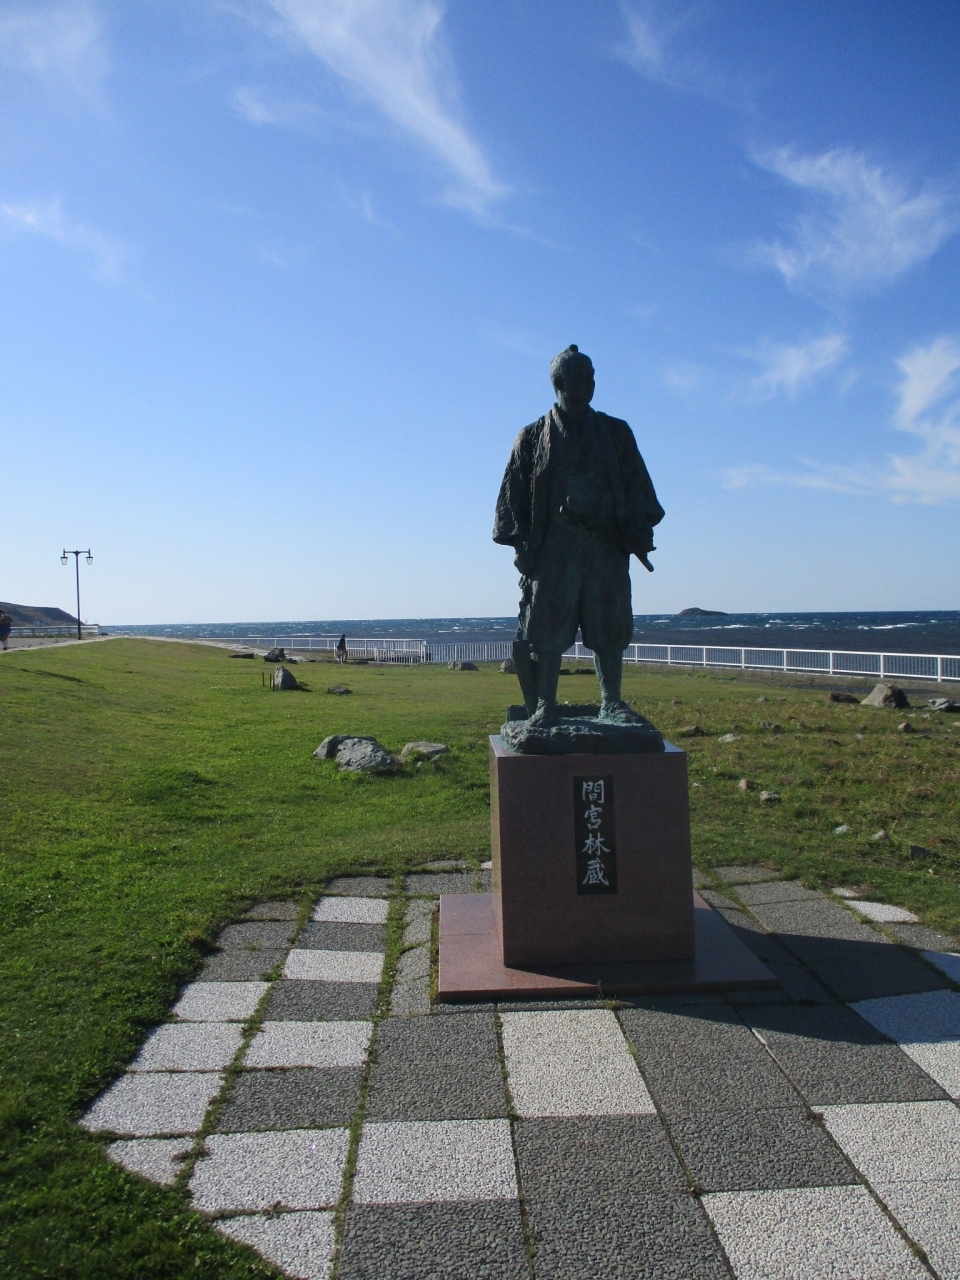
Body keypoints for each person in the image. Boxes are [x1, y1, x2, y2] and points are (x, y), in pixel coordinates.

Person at [493, 345, 664, 727]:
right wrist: (521, 545)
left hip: (605, 544)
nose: (590, 383)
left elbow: (639, 488)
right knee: (547, 628)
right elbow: (510, 499)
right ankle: (545, 705)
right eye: (582, 376)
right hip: (553, 549)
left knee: (609, 624)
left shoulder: (616, 433)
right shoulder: (532, 437)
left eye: (592, 376)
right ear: (560, 382)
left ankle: (611, 702)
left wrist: (639, 526)